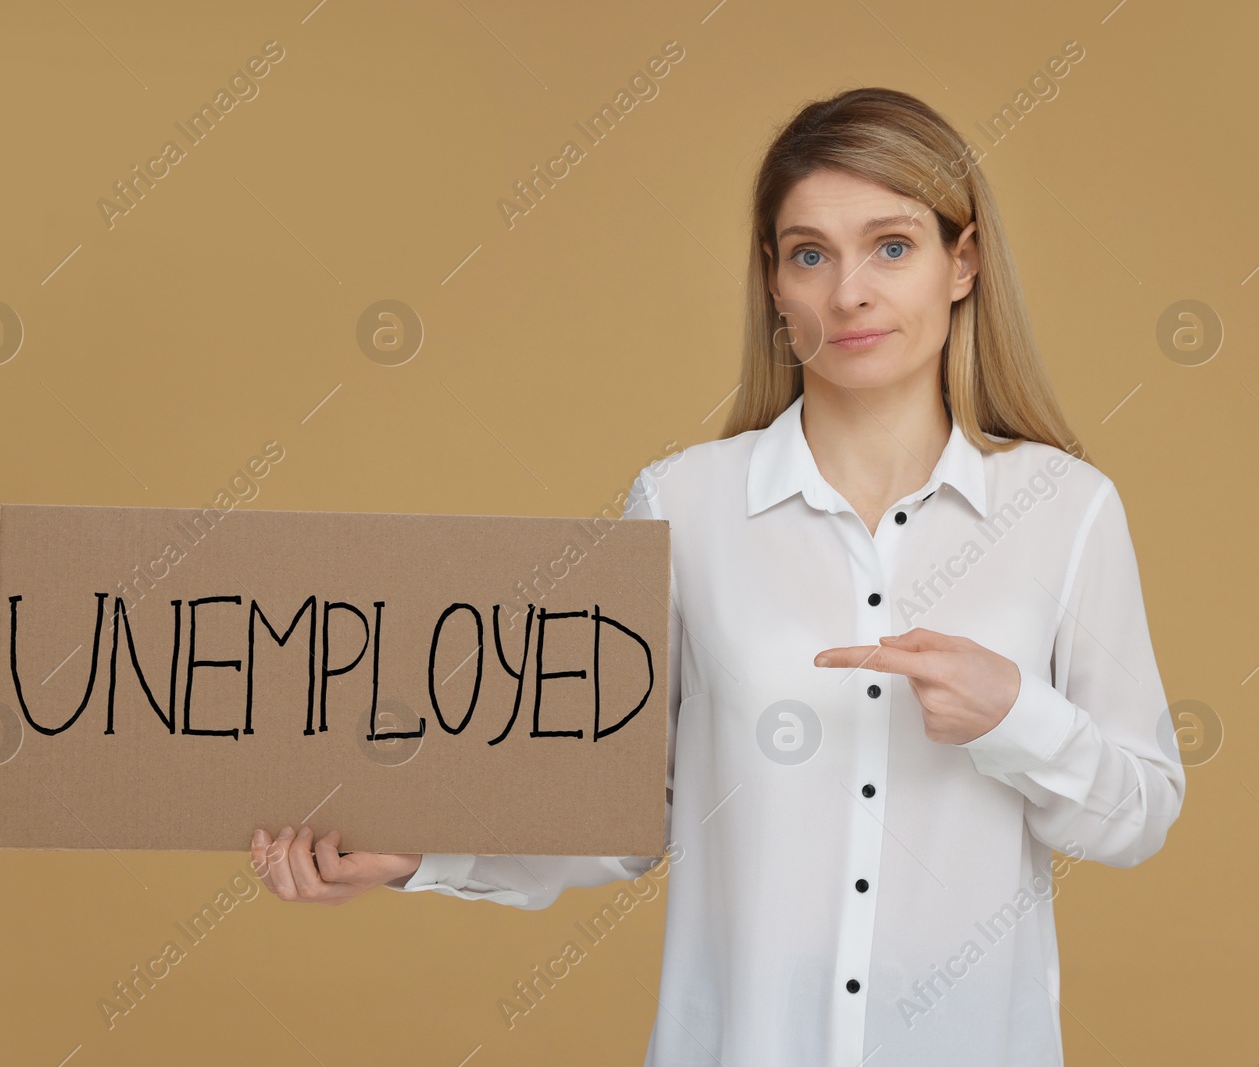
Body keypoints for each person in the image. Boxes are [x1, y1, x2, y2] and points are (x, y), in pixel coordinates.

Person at [249, 86, 1186, 1066]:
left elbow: (1138, 816)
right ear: (775, 284)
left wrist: (1016, 714)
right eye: (810, 252)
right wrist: (420, 854)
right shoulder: (680, 504)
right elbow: (622, 812)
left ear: (964, 260)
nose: (850, 292)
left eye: (892, 246)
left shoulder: (1065, 508)